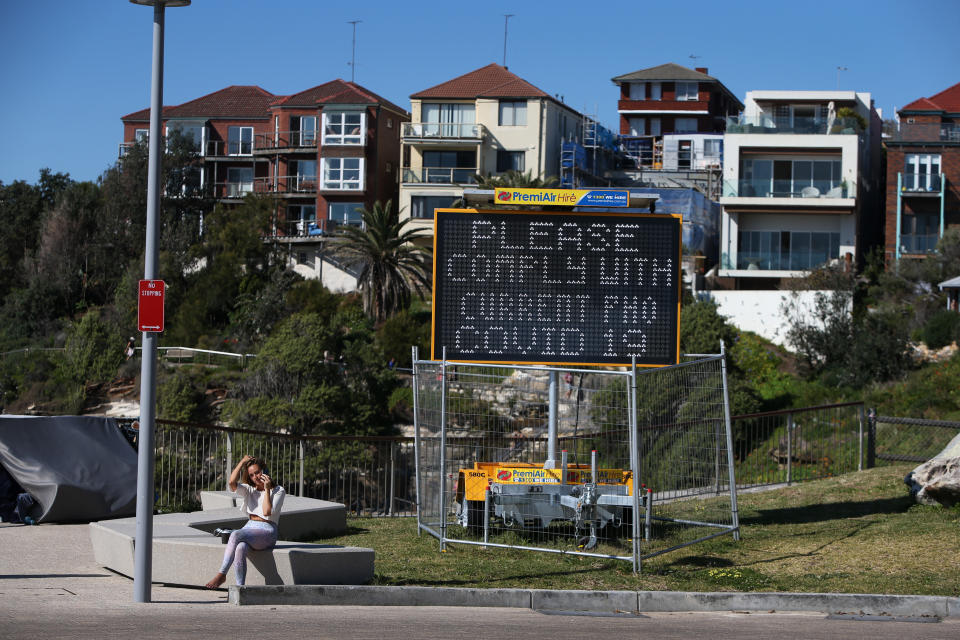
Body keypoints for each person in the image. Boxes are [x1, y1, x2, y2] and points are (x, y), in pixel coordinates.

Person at [205, 455, 285, 588]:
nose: (256, 477)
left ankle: (222, 574)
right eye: (252, 475)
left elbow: (266, 512)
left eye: (258, 472)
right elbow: (231, 483)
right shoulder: (249, 489)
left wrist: (266, 489)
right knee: (241, 547)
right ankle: (240, 587)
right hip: (250, 528)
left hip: (267, 531)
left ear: (265, 471)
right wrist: (242, 462)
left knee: (236, 534)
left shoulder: (278, 490)